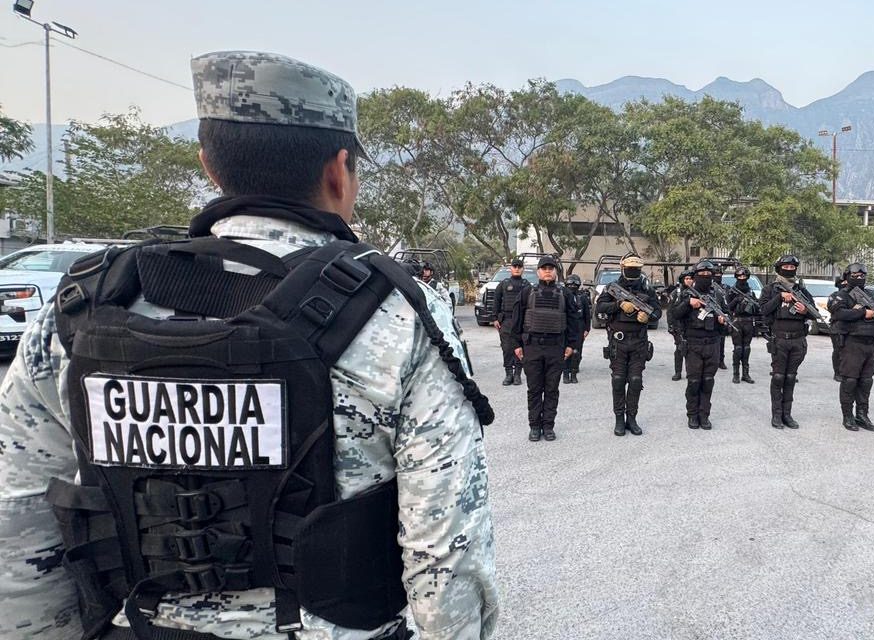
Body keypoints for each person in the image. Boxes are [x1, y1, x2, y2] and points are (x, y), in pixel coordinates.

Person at [0, 51, 498, 640]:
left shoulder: (81, 309)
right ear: (339, 170)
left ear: (209, 165)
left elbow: (20, 523)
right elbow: (445, 549)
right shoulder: (394, 311)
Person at [509, 256, 580, 442]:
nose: (548, 271)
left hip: (556, 348)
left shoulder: (565, 293)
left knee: (551, 390)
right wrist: (516, 345)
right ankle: (534, 426)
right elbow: (515, 321)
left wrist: (571, 345)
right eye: (544, 268)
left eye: (551, 268)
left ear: (556, 271)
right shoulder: (526, 292)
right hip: (532, 347)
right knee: (534, 389)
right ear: (538, 272)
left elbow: (574, 322)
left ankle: (548, 426)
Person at [594, 253, 662, 436]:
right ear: (622, 268)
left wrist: (648, 316)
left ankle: (631, 418)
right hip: (618, 341)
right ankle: (619, 419)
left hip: (639, 342)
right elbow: (599, 308)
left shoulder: (647, 290)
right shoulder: (612, 288)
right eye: (630, 268)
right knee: (618, 381)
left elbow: (657, 312)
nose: (633, 272)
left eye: (637, 269)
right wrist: (619, 305)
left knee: (635, 381)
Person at [669, 260, 733, 429]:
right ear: (695, 276)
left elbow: (727, 316)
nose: (705, 277)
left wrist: (723, 320)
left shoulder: (718, 295)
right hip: (693, 344)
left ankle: (704, 415)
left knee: (708, 381)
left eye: (708, 275)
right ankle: (692, 415)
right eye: (701, 275)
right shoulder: (686, 294)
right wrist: (689, 303)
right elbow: (675, 314)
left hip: (712, 344)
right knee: (694, 382)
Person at [826, 263, 874, 431]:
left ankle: (862, 415)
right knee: (850, 380)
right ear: (847, 277)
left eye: (862, 276)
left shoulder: (872, 295)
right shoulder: (841, 295)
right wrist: (863, 313)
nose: (859, 279)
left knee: (866, 381)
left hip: (872, 343)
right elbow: (838, 313)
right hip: (852, 343)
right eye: (855, 276)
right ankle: (848, 416)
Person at [759, 254, 818, 429]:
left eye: (793, 267)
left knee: (791, 378)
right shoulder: (770, 289)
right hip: (779, 340)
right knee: (778, 377)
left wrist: (804, 310)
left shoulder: (801, 290)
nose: (789, 270)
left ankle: (787, 414)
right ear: (779, 268)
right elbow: (762, 310)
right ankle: (776, 415)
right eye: (786, 267)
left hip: (798, 340)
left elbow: (815, 313)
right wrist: (779, 298)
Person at [492, 257, 530, 386]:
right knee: (507, 348)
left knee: (520, 347)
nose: (517, 269)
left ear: (522, 269)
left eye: (520, 267)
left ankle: (518, 374)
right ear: (511, 268)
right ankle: (508, 374)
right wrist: (495, 318)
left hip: (522, 321)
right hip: (507, 320)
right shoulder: (503, 283)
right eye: (515, 266)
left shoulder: (527, 285)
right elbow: (496, 301)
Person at [725, 265, 760, 384]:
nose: (742, 277)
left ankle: (746, 374)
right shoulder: (731, 291)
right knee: (738, 349)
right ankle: (736, 374)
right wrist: (736, 300)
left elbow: (758, 308)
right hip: (737, 322)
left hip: (749, 322)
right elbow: (727, 308)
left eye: (744, 275)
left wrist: (753, 304)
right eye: (740, 276)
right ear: (736, 277)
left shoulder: (751, 291)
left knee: (747, 349)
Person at [562, 273, 592, 384]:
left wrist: (587, 329)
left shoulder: (582, 297)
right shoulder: (562, 295)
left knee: (576, 351)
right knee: (565, 350)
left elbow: (587, 315)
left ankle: (574, 373)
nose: (573, 285)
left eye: (575, 283)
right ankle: (565, 373)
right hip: (565, 326)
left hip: (579, 326)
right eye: (570, 283)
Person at [666, 268, 694, 381]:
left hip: (691, 325)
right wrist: (670, 325)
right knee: (679, 348)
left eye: (691, 279)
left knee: (691, 350)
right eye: (687, 279)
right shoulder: (676, 293)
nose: (689, 281)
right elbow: (670, 311)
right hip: (678, 325)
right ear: (682, 280)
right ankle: (678, 372)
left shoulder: (695, 292)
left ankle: (690, 372)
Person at [830, 271, 849, 380]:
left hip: (850, 328)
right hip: (837, 328)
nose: (846, 283)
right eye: (844, 282)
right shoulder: (834, 296)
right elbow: (833, 308)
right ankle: (837, 372)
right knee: (838, 350)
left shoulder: (854, 296)